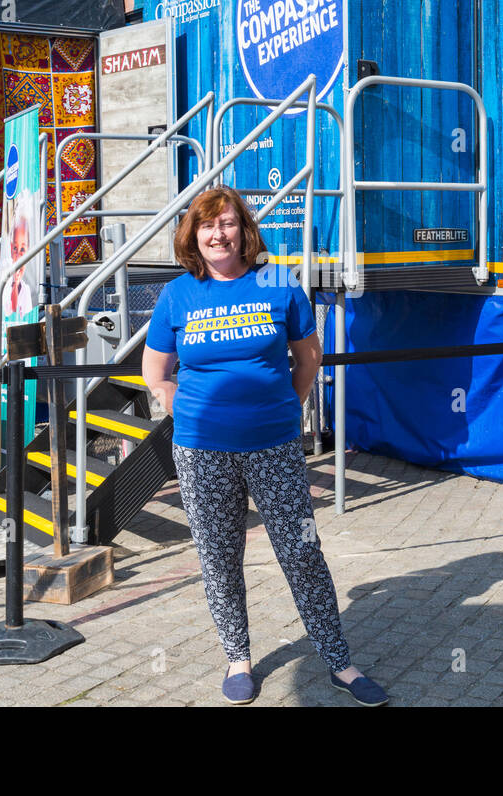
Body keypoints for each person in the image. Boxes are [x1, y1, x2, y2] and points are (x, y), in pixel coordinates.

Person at [141, 185, 387, 706]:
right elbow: (155, 369)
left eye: (227, 223)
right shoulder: (178, 294)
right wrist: (173, 403)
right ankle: (238, 659)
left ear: (244, 230)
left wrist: (287, 407)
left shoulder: (278, 282)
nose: (218, 234)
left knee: (301, 552)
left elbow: (308, 356)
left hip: (273, 445)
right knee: (219, 555)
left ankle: (339, 662)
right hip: (202, 449)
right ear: (193, 235)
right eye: (207, 225)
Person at [5, 215, 33, 318]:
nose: (18, 257)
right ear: (11, 248)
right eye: (15, 248)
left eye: (22, 250)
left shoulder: (27, 290)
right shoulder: (4, 286)